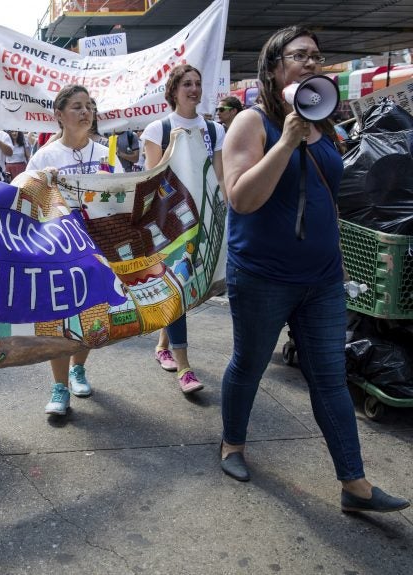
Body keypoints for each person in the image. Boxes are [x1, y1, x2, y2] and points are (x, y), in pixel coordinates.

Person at [220, 25, 409, 514]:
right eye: (299, 55)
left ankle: (354, 483)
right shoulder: (252, 123)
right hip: (262, 276)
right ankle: (232, 444)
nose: (311, 63)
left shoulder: (324, 121)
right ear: (274, 66)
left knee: (329, 377)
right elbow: (241, 199)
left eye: (317, 56)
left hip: (322, 279)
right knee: (250, 364)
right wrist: (284, 144)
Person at [25, 84, 123, 416]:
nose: (85, 112)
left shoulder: (106, 153)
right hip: (59, 249)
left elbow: (123, 197)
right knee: (60, 313)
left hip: (97, 247)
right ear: (59, 115)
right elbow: (26, 198)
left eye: (90, 106)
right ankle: (59, 386)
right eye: (77, 106)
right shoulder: (45, 156)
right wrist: (43, 181)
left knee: (94, 312)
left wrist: (108, 183)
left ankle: (78, 368)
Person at [141, 63, 226, 395]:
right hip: (171, 223)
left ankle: (163, 344)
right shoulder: (157, 129)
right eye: (186, 84)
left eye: (198, 83)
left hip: (207, 219)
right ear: (173, 90)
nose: (194, 89)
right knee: (178, 287)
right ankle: (185, 368)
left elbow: (219, 179)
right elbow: (153, 182)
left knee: (190, 289)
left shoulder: (216, 130)